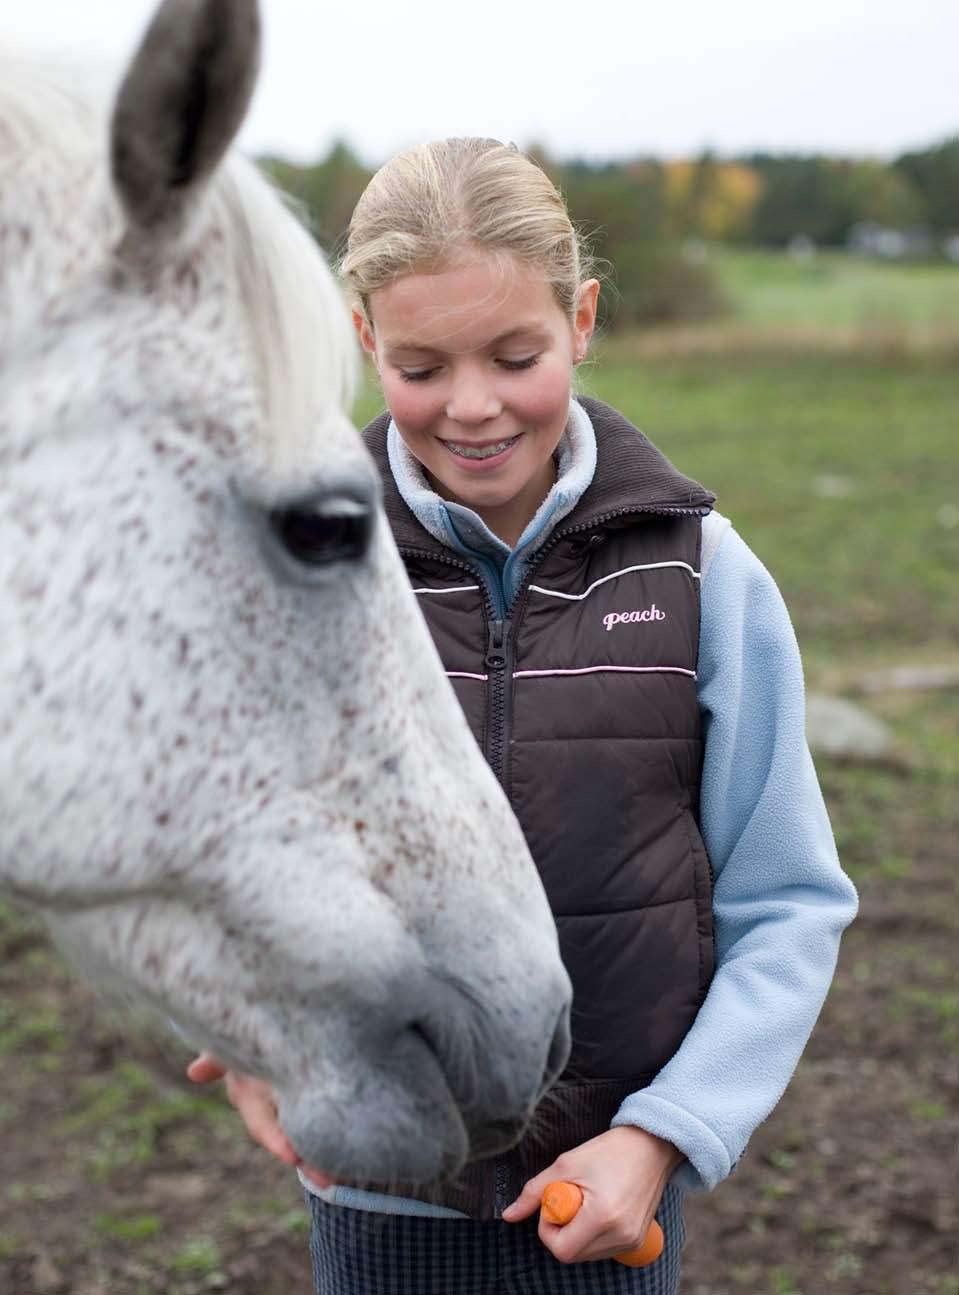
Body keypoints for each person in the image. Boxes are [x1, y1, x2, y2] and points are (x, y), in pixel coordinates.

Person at [189, 138, 858, 1294]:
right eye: (419, 364)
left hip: (607, 1203)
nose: (471, 405)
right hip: (376, 1195)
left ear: (581, 318)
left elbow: (786, 899)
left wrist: (664, 1134)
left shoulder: (704, 574)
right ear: (364, 343)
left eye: (513, 354)